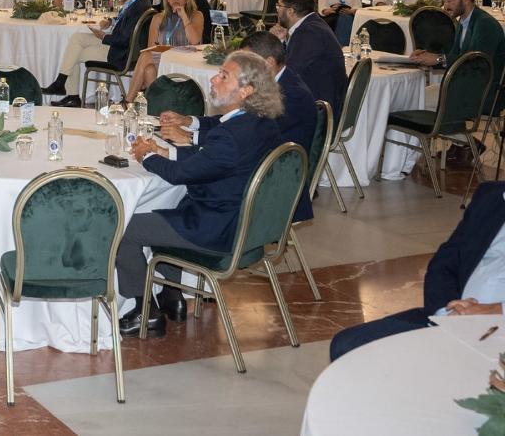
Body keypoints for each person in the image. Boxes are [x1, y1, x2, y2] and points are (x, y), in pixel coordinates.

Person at [118, 50, 284, 337]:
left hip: (214, 229)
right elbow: (213, 149)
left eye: (223, 76)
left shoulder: (230, 137)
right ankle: (173, 297)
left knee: (126, 227)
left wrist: (148, 155)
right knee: (166, 209)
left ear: (245, 91)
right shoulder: (259, 123)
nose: (213, 79)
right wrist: (170, 146)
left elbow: (181, 174)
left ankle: (144, 311)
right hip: (244, 223)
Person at [329, 182, 505, 361]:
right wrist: (447, 313)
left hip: (496, 334)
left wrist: (496, 311)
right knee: (347, 345)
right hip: (452, 320)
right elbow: (445, 263)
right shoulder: (492, 196)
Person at [162, 31, 317, 220]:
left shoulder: (291, 95)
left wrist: (188, 137)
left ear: (267, 63)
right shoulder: (274, 86)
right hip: (251, 178)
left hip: (268, 194)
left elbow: (241, 139)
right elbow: (231, 122)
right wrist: (189, 121)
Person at [43, 0, 150, 107]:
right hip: (119, 45)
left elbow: (124, 39)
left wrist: (104, 36)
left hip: (121, 53)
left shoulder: (138, 7)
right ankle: (62, 85)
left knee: (73, 54)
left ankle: (70, 93)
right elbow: (126, 21)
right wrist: (112, 21)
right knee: (77, 39)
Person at [412, 0, 505, 113]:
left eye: (449, 0)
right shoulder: (463, 20)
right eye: (444, 1)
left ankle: (455, 131)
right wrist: (427, 55)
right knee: (414, 97)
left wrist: (439, 59)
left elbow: (477, 62)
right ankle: (456, 132)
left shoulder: (485, 24)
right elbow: (455, 54)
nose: (445, 6)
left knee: (413, 100)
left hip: (483, 93)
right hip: (462, 86)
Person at [271, 0, 348, 117]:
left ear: (290, 11)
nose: (277, 10)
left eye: (279, 6)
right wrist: (282, 41)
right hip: (321, 99)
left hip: (319, 109)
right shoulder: (313, 24)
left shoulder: (308, 33)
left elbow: (288, 75)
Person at [125, 0, 204, 102]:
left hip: (186, 61)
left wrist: (183, 16)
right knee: (148, 69)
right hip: (164, 59)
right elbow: (151, 47)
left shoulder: (196, 16)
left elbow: (194, 41)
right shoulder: (158, 18)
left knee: (145, 57)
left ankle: (128, 101)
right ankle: (156, 108)